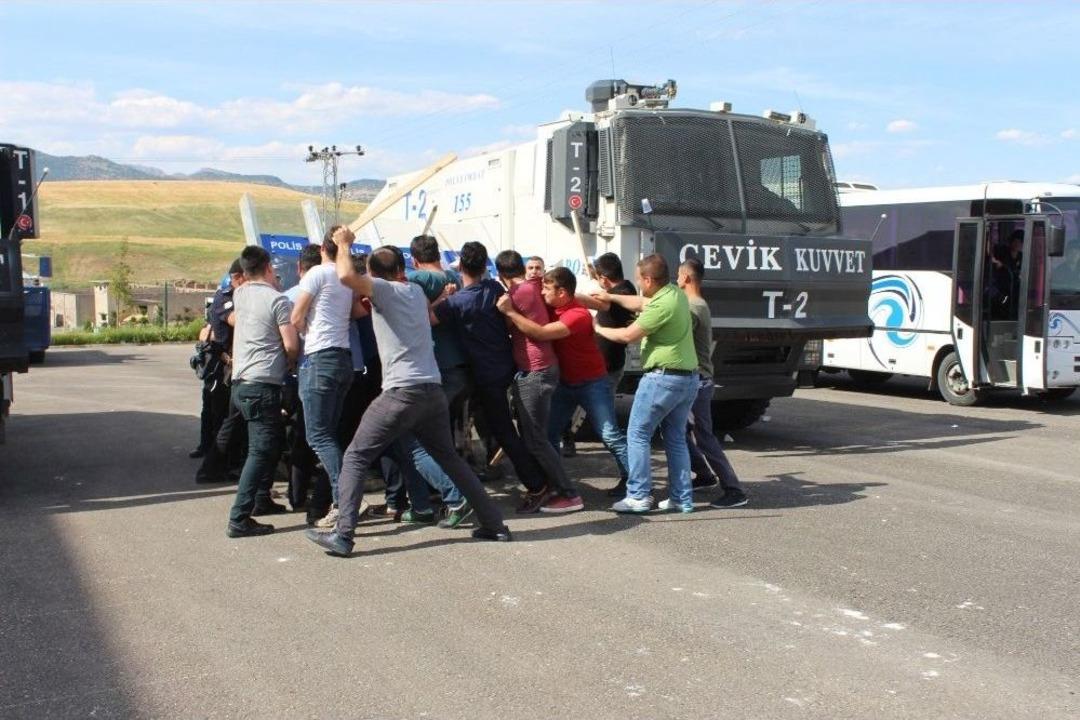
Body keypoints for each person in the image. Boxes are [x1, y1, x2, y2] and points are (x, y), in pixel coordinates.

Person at [305, 229, 510, 557]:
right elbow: (428, 315)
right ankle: (494, 523)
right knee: (449, 458)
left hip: (401, 391)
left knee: (356, 455)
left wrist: (343, 243)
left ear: (374, 275)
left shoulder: (384, 290)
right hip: (432, 391)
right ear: (404, 267)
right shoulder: (414, 291)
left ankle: (342, 535)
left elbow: (345, 275)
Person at [432, 241, 549, 512]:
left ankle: (537, 485)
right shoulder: (493, 288)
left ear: (460, 266)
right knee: (500, 425)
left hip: (485, 373)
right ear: (486, 267)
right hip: (504, 365)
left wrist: (441, 297)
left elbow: (428, 319)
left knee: (505, 431)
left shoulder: (457, 302)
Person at [496, 266, 630, 492]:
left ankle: (634, 482)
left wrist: (510, 312)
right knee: (548, 434)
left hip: (592, 382)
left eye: (548, 290)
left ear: (562, 293)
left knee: (609, 434)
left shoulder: (578, 315)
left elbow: (541, 333)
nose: (543, 294)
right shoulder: (553, 303)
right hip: (565, 384)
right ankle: (555, 482)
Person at [594, 254, 699, 514]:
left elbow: (629, 335)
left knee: (637, 434)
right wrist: (612, 297)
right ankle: (681, 498)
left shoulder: (662, 306)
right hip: (686, 378)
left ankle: (639, 495)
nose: (638, 283)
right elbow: (640, 302)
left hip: (662, 378)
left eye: (640, 279)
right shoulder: (673, 294)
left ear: (649, 279)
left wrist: (596, 328)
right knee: (675, 439)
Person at [495, 249, 583, 513]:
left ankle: (568, 493)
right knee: (534, 436)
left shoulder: (517, 295)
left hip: (536, 370)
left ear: (501, 275)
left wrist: (508, 311)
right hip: (537, 369)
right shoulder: (533, 287)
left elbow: (533, 331)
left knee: (536, 439)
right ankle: (552, 486)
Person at [225, 245, 300, 537]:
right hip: (262, 383)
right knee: (261, 450)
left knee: (266, 444)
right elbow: (291, 344)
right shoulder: (278, 300)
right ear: (269, 267)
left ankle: (260, 501)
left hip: (241, 383)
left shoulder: (240, 294)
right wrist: (291, 359)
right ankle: (239, 517)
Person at [290, 227, 361, 529]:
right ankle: (344, 496)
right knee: (329, 434)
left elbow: (295, 317)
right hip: (344, 358)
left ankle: (345, 498)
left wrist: (309, 332)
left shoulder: (316, 274)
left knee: (318, 435)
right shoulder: (347, 277)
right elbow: (358, 311)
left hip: (320, 358)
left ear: (322, 247)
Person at [676, 258, 748, 508]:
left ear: (686, 278)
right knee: (678, 431)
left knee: (703, 436)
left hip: (697, 382)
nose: (676, 280)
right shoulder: (696, 304)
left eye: (678, 276)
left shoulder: (692, 307)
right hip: (698, 380)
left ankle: (734, 489)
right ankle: (704, 475)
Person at [564, 252, 636, 462]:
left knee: (605, 425)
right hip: (599, 366)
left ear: (604, 277)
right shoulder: (623, 289)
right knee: (572, 407)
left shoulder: (621, 293)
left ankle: (630, 467)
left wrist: (566, 292)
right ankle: (567, 437)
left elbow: (599, 303)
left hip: (606, 368)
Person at [194, 259, 245, 484]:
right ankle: (214, 465)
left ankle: (223, 464)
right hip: (223, 366)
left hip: (232, 365)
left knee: (230, 419)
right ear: (237, 277)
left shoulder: (239, 296)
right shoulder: (225, 297)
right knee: (223, 418)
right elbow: (238, 321)